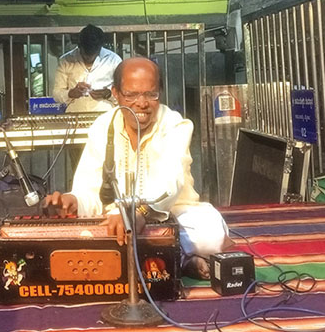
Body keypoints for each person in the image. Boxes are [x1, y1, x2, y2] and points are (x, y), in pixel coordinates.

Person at [42, 57, 229, 278]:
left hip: (170, 216)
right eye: (131, 95)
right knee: (89, 232)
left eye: (151, 94)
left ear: (160, 92)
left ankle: (160, 256)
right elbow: (90, 190)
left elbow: (171, 182)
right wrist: (73, 201)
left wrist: (138, 213)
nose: (142, 103)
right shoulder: (102, 127)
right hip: (114, 220)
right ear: (116, 93)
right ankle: (175, 259)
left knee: (210, 233)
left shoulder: (174, 124)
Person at [51, 24, 121, 113]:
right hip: (75, 115)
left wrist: (109, 94)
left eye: (93, 54)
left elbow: (124, 93)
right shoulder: (66, 60)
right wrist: (70, 93)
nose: (89, 58)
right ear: (79, 46)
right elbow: (56, 94)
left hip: (106, 115)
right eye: (85, 54)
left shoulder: (114, 60)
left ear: (100, 47)